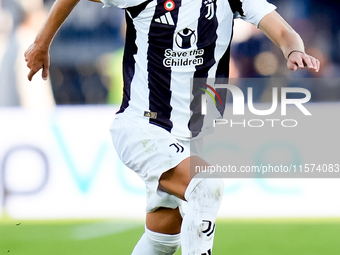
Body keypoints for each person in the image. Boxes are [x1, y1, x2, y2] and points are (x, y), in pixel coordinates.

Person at [24, 0, 320, 254]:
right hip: (142, 125)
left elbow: (283, 30)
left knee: (163, 239)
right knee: (206, 185)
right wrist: (41, 44)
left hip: (191, 135)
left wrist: (292, 50)